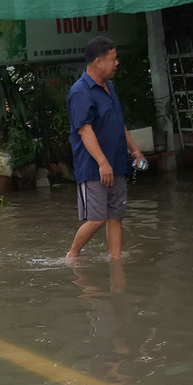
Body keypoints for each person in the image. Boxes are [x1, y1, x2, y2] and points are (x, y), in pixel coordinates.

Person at [66, 36, 146, 260]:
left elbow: (117, 123)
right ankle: (72, 256)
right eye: (113, 59)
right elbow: (85, 130)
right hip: (94, 168)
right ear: (98, 62)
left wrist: (134, 149)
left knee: (115, 217)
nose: (116, 62)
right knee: (97, 219)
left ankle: (116, 261)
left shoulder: (109, 87)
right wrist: (102, 163)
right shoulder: (80, 91)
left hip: (117, 163)